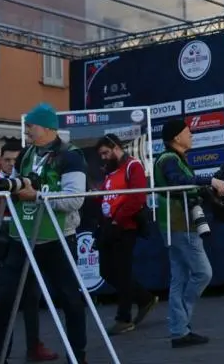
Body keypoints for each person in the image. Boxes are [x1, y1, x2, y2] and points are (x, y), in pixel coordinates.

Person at [0, 104, 87, 364]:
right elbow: (22, 185)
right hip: (22, 237)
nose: (26, 131)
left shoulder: (71, 155)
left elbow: (75, 199)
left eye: (30, 127)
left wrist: (38, 195)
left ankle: (78, 356)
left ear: (46, 128)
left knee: (70, 299)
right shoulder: (26, 154)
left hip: (57, 239)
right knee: (3, 301)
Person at [154, 120, 224, 348]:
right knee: (202, 273)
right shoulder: (168, 159)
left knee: (180, 278)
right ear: (176, 138)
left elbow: (187, 185)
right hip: (179, 225)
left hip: (178, 224)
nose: (192, 135)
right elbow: (179, 182)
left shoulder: (175, 158)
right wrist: (210, 180)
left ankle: (179, 331)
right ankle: (181, 321)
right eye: (188, 132)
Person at [0, 140, 59, 362]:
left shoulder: (31, 182)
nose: (11, 164)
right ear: (0, 161)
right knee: (3, 304)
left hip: (31, 246)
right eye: (7, 160)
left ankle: (33, 345)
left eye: (15, 160)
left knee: (32, 298)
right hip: (5, 251)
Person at [95, 134, 156, 335]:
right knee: (106, 271)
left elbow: (137, 196)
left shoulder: (133, 166)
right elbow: (106, 197)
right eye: (101, 154)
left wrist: (116, 220)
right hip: (108, 226)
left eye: (105, 152)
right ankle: (144, 298)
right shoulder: (110, 172)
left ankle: (124, 318)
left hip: (125, 226)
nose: (103, 157)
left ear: (115, 147)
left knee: (122, 270)